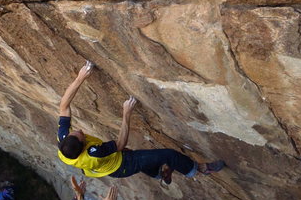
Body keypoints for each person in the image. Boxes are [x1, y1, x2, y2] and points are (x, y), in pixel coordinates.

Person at [57, 61, 225, 185]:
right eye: (80, 134)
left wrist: (80, 78)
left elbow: (64, 106)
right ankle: (198, 169)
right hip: (122, 165)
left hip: (109, 166)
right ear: (84, 145)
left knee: (145, 159)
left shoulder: (64, 143)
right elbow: (121, 144)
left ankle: (160, 174)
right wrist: (126, 114)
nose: (78, 129)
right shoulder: (93, 153)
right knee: (168, 155)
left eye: (74, 131)